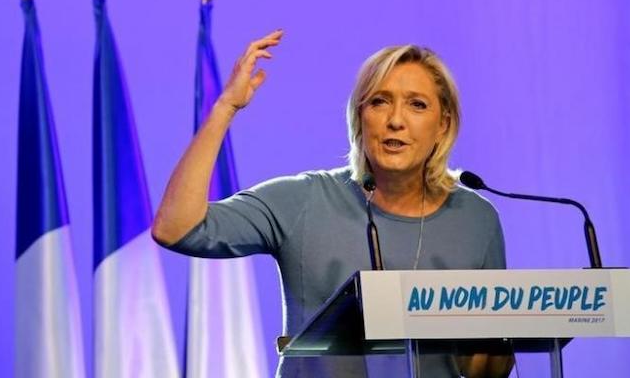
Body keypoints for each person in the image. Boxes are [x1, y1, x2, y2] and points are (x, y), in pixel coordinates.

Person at [152, 30, 514, 377]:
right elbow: (174, 227)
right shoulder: (304, 200)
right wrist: (225, 108)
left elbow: (481, 368)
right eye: (379, 102)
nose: (395, 121)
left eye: (416, 105)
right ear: (359, 117)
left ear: (442, 124)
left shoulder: (475, 220)